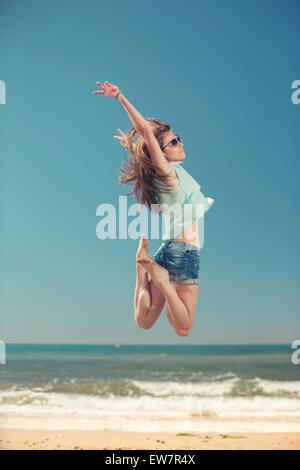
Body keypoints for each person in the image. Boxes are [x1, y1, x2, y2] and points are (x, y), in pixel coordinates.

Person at [92, 80, 214, 337]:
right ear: (161, 152)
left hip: (167, 249)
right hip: (183, 251)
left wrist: (132, 147)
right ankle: (160, 279)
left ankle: (142, 269)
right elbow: (147, 132)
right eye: (173, 142)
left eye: (179, 138)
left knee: (144, 321)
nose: (181, 143)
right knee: (184, 327)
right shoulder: (168, 174)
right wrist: (120, 97)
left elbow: (148, 148)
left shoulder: (162, 173)